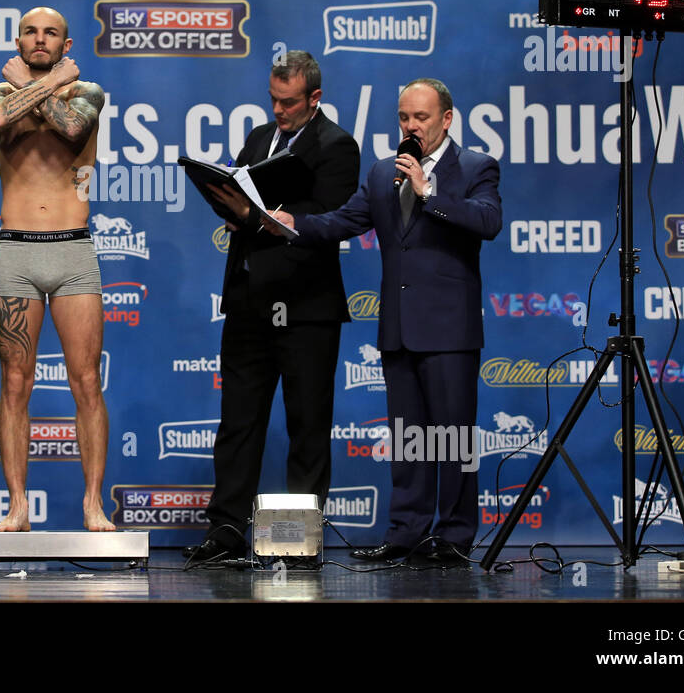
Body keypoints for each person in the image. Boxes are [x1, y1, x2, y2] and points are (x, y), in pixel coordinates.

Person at [267, 78, 502, 564]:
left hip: (449, 330)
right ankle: (406, 532)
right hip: (398, 329)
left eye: (421, 118)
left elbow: (487, 222)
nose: (412, 126)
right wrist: (294, 225)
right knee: (410, 438)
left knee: (452, 437)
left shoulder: (476, 167)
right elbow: (343, 222)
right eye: (404, 117)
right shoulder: (381, 174)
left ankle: (454, 536)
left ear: (446, 119)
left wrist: (428, 190)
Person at [185, 50, 360, 561]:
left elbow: (327, 220)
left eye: (287, 103)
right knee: (237, 420)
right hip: (249, 301)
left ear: (314, 99)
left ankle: (296, 541)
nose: (278, 111)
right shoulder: (261, 139)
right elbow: (240, 198)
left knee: (307, 425)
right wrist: (232, 208)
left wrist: (259, 216)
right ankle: (226, 531)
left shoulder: (338, 147)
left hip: (306, 307)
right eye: (273, 100)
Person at [0, 6, 114, 532]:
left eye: (50, 33)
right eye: (31, 32)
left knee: (86, 383)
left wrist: (38, 89)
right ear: (18, 40)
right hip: (16, 253)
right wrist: (53, 83)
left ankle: (93, 504)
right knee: (15, 383)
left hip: (74, 253)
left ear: (66, 42)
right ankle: (17, 506)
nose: (40, 40)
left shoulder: (89, 93)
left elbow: (75, 125)